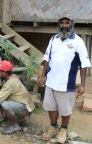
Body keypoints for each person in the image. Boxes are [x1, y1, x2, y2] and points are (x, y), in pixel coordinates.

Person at [39, 14, 91, 143]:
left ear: (71, 24)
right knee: (51, 107)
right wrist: (42, 75)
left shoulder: (77, 41)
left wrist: (83, 84)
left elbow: (84, 64)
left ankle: (63, 129)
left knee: (66, 109)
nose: (64, 26)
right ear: (59, 25)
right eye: (62, 23)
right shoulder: (54, 39)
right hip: (51, 81)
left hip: (67, 84)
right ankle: (53, 127)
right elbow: (46, 58)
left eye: (67, 23)